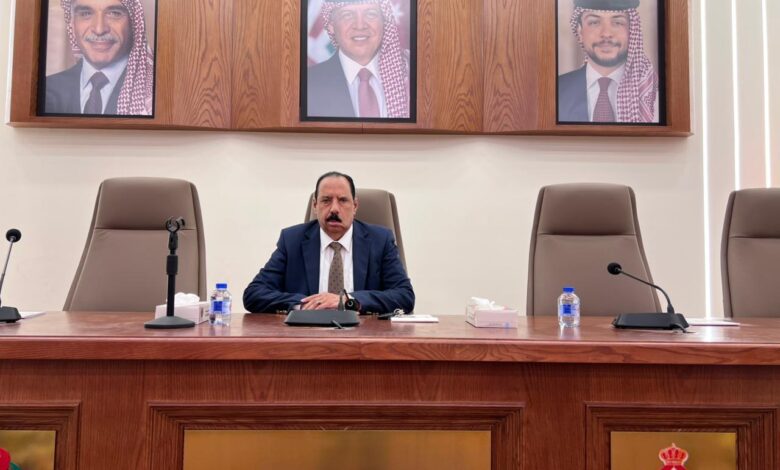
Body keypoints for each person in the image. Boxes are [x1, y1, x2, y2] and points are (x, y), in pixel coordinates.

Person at [243, 172, 415, 314]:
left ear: (355, 206)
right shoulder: (292, 240)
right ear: (315, 205)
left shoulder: (380, 240)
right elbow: (254, 294)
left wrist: (349, 300)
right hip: (307, 336)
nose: (334, 209)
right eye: (326, 200)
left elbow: (404, 296)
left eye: (343, 200)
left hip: (363, 336)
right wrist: (306, 304)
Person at [44, 0, 154, 116]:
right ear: (72, 23)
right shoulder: (46, 89)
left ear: (134, 23)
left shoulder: (155, 92)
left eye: (114, 13)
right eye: (86, 13)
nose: (99, 29)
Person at [558, 0, 658, 123]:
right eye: (594, 22)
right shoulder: (556, 91)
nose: (606, 33)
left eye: (617, 23)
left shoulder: (655, 93)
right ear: (579, 32)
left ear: (632, 30)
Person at [307, 0, 410, 119]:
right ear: (331, 26)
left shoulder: (410, 74)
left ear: (384, 23)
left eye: (370, 14)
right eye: (347, 15)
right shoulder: (308, 83)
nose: (360, 26)